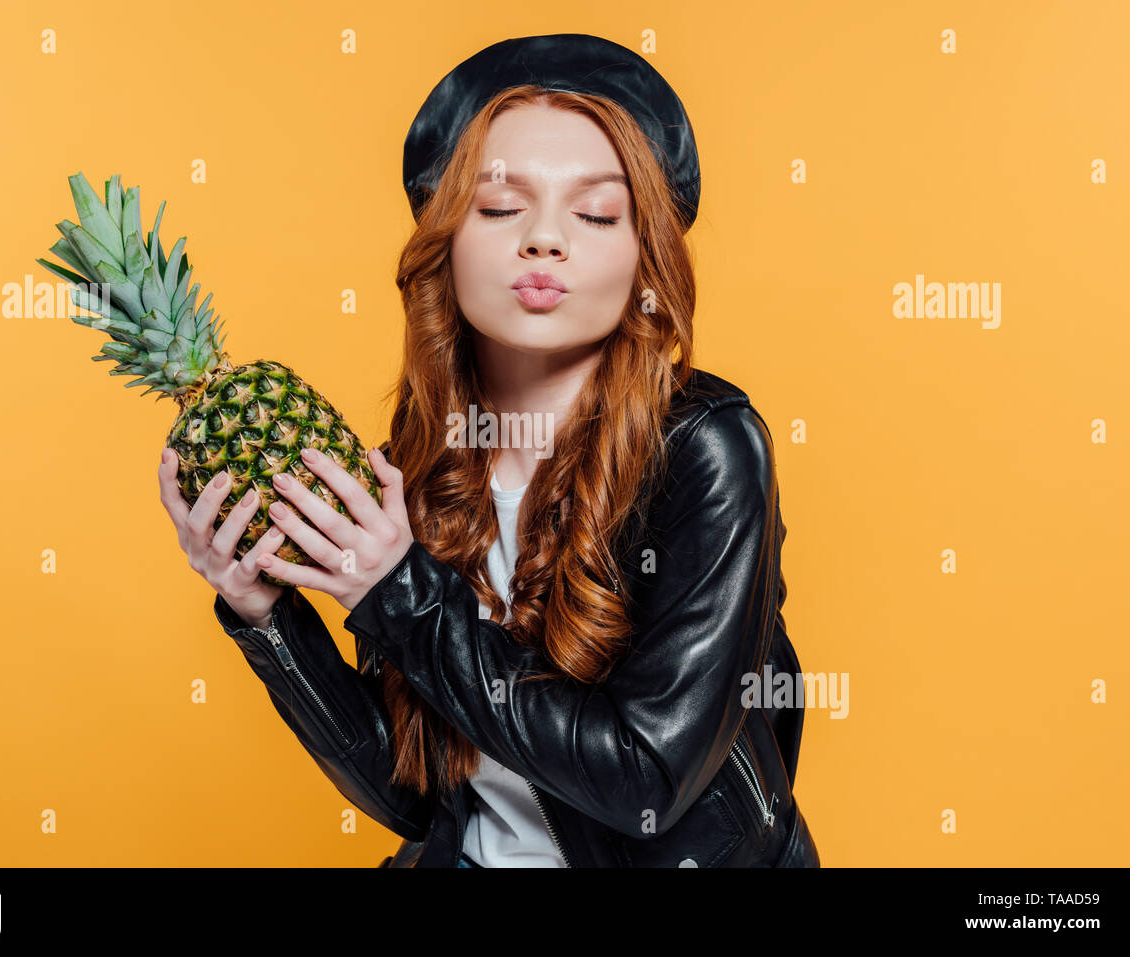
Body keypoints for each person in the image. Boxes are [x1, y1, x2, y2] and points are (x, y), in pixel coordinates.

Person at [158, 34, 819, 868]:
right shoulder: (421, 460)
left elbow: (647, 781)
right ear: (445, 242)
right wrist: (268, 618)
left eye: (596, 213)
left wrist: (398, 588)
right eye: (501, 207)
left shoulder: (707, 449)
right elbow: (414, 793)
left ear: (644, 256)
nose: (544, 240)